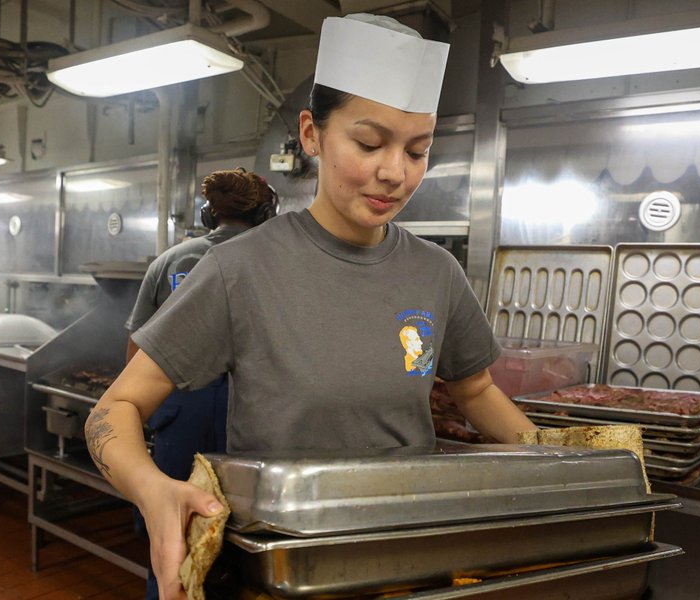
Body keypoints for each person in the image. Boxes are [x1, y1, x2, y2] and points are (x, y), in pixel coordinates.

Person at [85, 13, 537, 600]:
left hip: (409, 566)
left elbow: (474, 392)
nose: (395, 173)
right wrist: (153, 490)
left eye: (418, 150)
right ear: (311, 133)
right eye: (369, 143)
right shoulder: (239, 269)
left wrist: (563, 467)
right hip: (283, 574)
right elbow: (115, 406)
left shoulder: (437, 273)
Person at [124, 167, 278, 600]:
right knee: (247, 543)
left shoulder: (170, 262)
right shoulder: (278, 264)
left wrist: (150, 412)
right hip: (255, 416)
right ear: (267, 213)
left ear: (210, 215)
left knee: (171, 531)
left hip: (179, 408)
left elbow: (136, 349)